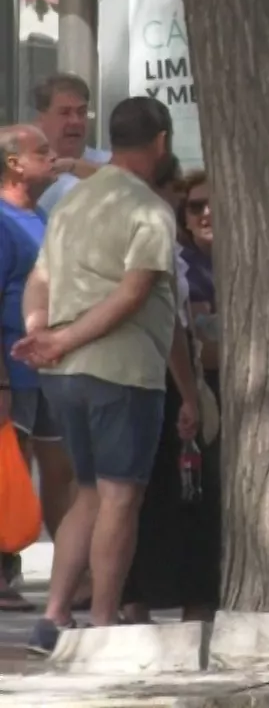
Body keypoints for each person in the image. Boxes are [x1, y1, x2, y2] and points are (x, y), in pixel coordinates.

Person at [13, 97, 195, 653]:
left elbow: (40, 277)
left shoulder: (70, 203)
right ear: (161, 142)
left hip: (63, 373)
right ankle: (104, 623)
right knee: (119, 497)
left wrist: (40, 331)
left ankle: (53, 615)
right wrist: (61, 338)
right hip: (122, 371)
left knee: (87, 492)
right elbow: (135, 292)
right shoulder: (150, 211)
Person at [120, 160, 219, 624]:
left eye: (215, 205)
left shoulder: (237, 262)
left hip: (204, 393)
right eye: (196, 205)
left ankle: (197, 604)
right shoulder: (183, 265)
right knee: (158, 499)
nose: (205, 214)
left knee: (200, 507)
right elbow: (195, 338)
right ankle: (135, 604)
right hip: (174, 389)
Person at [0, 125, 66, 612]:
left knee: (54, 470)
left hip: (47, 370)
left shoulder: (38, 215)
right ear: (14, 164)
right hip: (12, 371)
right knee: (10, 469)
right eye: (41, 151)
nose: (54, 156)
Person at [33, 73, 110, 216]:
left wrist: (73, 166)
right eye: (65, 113)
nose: (76, 121)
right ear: (41, 118)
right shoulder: (27, 173)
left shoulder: (109, 163)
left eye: (81, 112)